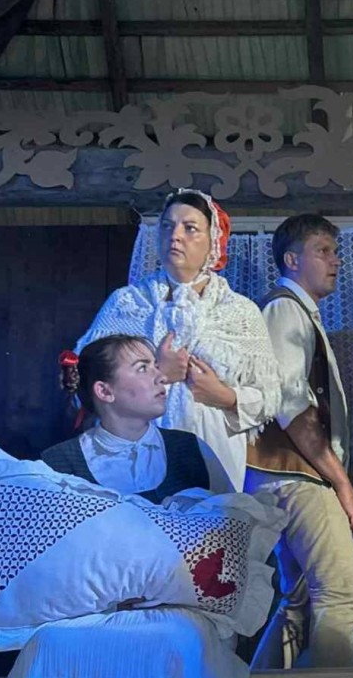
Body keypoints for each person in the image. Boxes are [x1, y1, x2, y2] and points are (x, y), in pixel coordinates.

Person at [0, 335, 252, 678]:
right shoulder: (60, 462)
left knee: (176, 642)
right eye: (143, 367)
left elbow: (227, 530)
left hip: (176, 609)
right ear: (104, 391)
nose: (160, 376)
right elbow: (46, 558)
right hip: (88, 611)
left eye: (155, 365)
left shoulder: (190, 452)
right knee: (51, 645)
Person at [77, 188, 282, 491]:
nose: (175, 236)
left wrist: (224, 396)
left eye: (190, 228)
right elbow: (88, 381)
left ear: (213, 241)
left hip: (213, 450)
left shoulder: (239, 312)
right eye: (167, 226)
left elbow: (270, 396)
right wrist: (160, 371)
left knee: (207, 519)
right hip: (132, 452)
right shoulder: (127, 304)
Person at [245, 214, 353, 669]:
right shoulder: (284, 310)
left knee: (296, 602)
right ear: (292, 260)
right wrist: (341, 482)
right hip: (293, 476)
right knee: (341, 590)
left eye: (336, 252)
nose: (335, 261)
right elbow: (290, 405)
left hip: (284, 477)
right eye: (323, 251)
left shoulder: (298, 312)